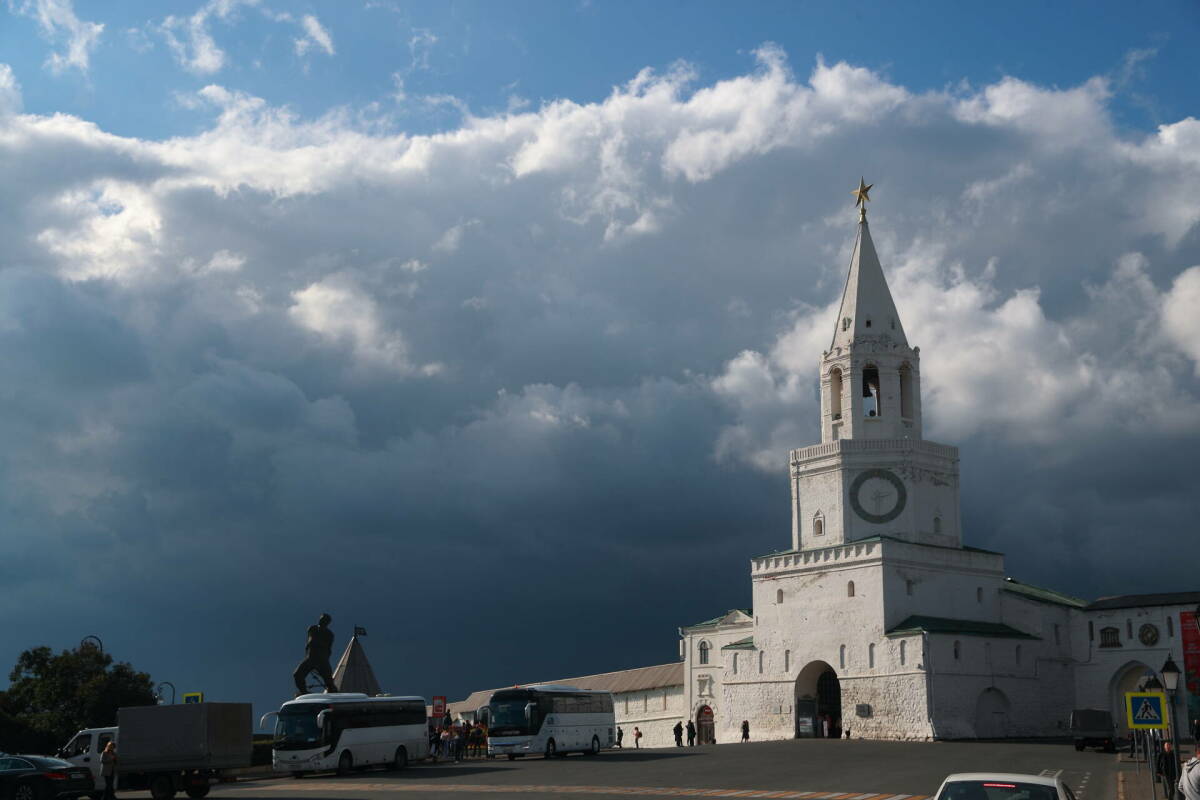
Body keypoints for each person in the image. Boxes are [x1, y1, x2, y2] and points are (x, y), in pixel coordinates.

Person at [292, 613, 337, 695]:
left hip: (321, 659)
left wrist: (325, 660)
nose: (321, 621)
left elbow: (328, 649)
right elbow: (309, 642)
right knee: (297, 674)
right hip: (310, 657)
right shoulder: (312, 628)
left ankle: (333, 693)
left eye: (324, 620)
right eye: (321, 619)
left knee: (329, 681)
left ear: (327, 622)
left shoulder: (329, 634)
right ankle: (303, 692)